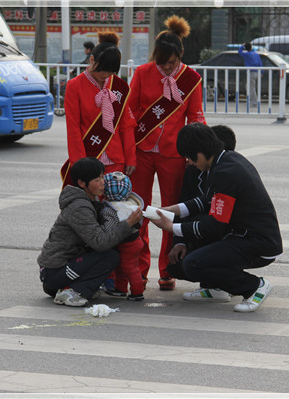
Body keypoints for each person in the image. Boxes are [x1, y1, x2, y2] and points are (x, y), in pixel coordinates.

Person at [149, 123, 283, 313]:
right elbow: (206, 200)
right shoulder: (227, 160)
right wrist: (171, 210)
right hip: (246, 236)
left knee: (193, 263)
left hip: (257, 242)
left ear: (200, 152)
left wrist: (171, 227)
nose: (189, 162)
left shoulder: (225, 172)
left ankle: (254, 287)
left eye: (189, 156)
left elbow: (214, 226)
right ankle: (216, 290)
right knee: (186, 263)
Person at [129, 15, 206, 291]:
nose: (166, 68)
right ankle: (138, 268)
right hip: (141, 151)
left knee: (170, 213)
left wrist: (196, 154)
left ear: (181, 55)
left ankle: (167, 269)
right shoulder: (142, 73)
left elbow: (195, 117)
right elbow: (129, 112)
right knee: (139, 209)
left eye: (171, 63)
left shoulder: (191, 79)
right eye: (161, 62)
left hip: (174, 154)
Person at [37, 157, 143, 307]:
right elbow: (100, 242)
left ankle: (79, 287)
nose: (103, 182)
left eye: (102, 177)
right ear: (82, 183)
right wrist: (127, 224)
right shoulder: (80, 207)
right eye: (97, 179)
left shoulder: (91, 201)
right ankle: (73, 291)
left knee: (112, 251)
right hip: (54, 274)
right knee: (110, 256)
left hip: (66, 266)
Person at [166, 125, 237, 302]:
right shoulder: (192, 171)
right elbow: (185, 205)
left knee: (208, 231)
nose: (190, 161)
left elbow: (219, 221)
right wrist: (180, 240)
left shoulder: (230, 173)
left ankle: (227, 284)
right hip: (204, 230)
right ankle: (212, 286)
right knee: (177, 266)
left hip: (230, 235)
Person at [61, 32, 136, 187]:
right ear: (92, 60)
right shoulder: (75, 86)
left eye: (110, 72)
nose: (106, 75)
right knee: (90, 208)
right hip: (89, 159)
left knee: (115, 208)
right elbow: (73, 128)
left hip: (116, 159)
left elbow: (126, 125)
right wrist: (79, 163)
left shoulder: (120, 87)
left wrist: (131, 157)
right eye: (102, 71)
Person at [101, 171, 145, 301]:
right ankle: (120, 288)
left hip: (126, 244)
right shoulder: (133, 205)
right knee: (122, 267)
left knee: (130, 268)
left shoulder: (110, 210)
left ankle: (137, 292)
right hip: (135, 241)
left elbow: (109, 229)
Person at [238, 42, 263, 109]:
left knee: (252, 88)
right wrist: (262, 72)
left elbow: (240, 52)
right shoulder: (256, 54)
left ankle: (254, 101)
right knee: (248, 86)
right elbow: (260, 63)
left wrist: (241, 46)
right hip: (257, 72)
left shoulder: (247, 54)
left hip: (251, 73)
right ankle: (250, 99)